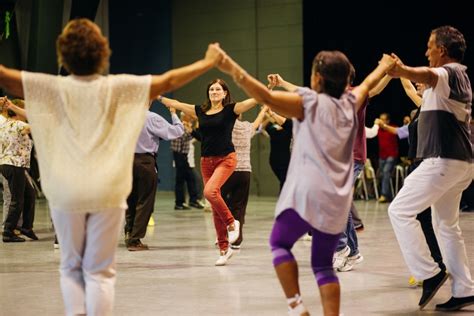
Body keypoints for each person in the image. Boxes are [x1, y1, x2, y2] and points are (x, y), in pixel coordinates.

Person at [0, 18, 223, 315]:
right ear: (103, 54)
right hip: (108, 192)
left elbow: (5, 76)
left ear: (62, 55)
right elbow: (168, 80)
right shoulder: (120, 87)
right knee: (100, 272)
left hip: (66, 191)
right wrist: (208, 62)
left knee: (71, 267)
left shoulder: (50, 88)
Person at [216, 47, 394, 315]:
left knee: (279, 244)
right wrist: (384, 66)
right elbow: (368, 83)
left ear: (317, 79)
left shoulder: (307, 103)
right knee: (323, 266)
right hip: (336, 198)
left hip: (306, 195)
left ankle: (297, 307)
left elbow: (263, 95)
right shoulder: (351, 101)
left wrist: (230, 66)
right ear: (346, 81)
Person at [387, 25, 474, 311]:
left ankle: (429, 272)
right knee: (446, 225)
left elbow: (426, 74)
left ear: (442, 50)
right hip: (462, 163)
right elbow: (422, 84)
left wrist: (401, 70)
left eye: (429, 46)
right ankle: (464, 289)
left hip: (443, 160)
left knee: (398, 210)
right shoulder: (458, 78)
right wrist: (404, 77)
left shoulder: (447, 73)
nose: (426, 51)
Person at [158, 79, 259, 266]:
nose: (214, 91)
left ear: (224, 93)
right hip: (206, 161)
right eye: (211, 89)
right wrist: (157, 95)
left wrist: (267, 90)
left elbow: (252, 101)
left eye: (218, 89)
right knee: (213, 204)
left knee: (209, 192)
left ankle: (231, 223)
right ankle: (223, 249)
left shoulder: (231, 110)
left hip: (226, 159)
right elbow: (177, 104)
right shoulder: (201, 111)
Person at [125, 106, 185, 251]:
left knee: (130, 200)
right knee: (145, 201)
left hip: (125, 162)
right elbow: (177, 132)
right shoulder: (151, 117)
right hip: (145, 162)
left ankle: (129, 232)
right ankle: (135, 240)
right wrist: (174, 114)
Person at [220, 105, 268, 249]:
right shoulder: (247, 127)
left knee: (222, 205)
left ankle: (225, 236)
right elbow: (257, 123)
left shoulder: (224, 127)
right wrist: (264, 110)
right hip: (245, 172)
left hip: (228, 170)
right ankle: (237, 240)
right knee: (239, 206)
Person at [0, 97, 37, 242]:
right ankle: (8, 232)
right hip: (13, 165)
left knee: (30, 194)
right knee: (17, 199)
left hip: (10, 165)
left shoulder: (5, 125)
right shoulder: (18, 125)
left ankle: (26, 227)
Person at [170, 112, 203, 210]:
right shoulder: (181, 125)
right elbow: (190, 137)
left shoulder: (185, 126)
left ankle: (190, 201)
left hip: (182, 156)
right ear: (185, 117)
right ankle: (180, 203)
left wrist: (194, 128)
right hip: (179, 155)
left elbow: (194, 136)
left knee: (190, 179)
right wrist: (195, 128)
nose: (191, 118)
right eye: (189, 116)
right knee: (181, 180)